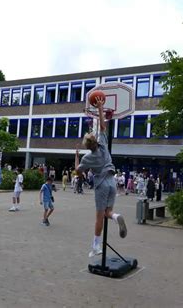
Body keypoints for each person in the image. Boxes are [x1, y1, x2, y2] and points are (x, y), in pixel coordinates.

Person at [75, 96, 127, 257]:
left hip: (101, 185)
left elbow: (78, 171)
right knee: (108, 212)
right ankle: (116, 216)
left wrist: (76, 156)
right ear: (95, 141)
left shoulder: (87, 158)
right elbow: (103, 126)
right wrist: (100, 107)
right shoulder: (103, 144)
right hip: (112, 182)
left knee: (99, 217)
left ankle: (96, 246)